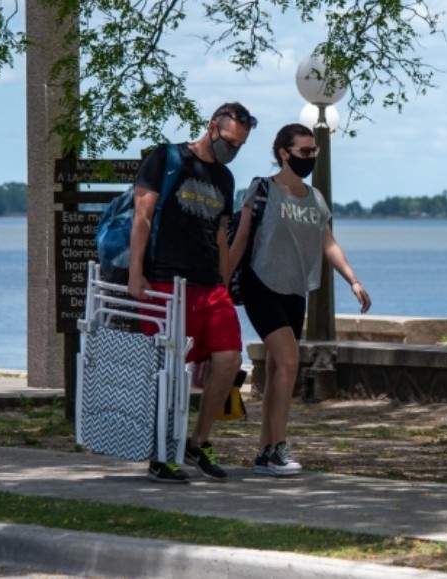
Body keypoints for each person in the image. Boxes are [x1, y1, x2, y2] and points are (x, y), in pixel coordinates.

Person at [229, 123, 371, 477]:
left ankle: (264, 452)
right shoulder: (261, 190)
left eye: (314, 152)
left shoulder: (315, 198)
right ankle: (278, 447)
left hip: (295, 292)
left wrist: (352, 280)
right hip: (261, 285)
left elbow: (328, 243)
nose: (311, 157)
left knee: (280, 368)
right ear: (284, 153)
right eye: (305, 151)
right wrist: (219, 283)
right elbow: (241, 240)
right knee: (290, 361)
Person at [128, 101, 257, 483]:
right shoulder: (167, 159)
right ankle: (161, 453)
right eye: (229, 141)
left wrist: (224, 279)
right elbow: (142, 217)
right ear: (212, 127)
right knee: (170, 372)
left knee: (229, 359)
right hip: (167, 280)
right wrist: (136, 274)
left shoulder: (226, 179)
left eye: (239, 146)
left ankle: (197, 442)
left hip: (209, 285)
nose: (231, 150)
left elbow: (220, 233)